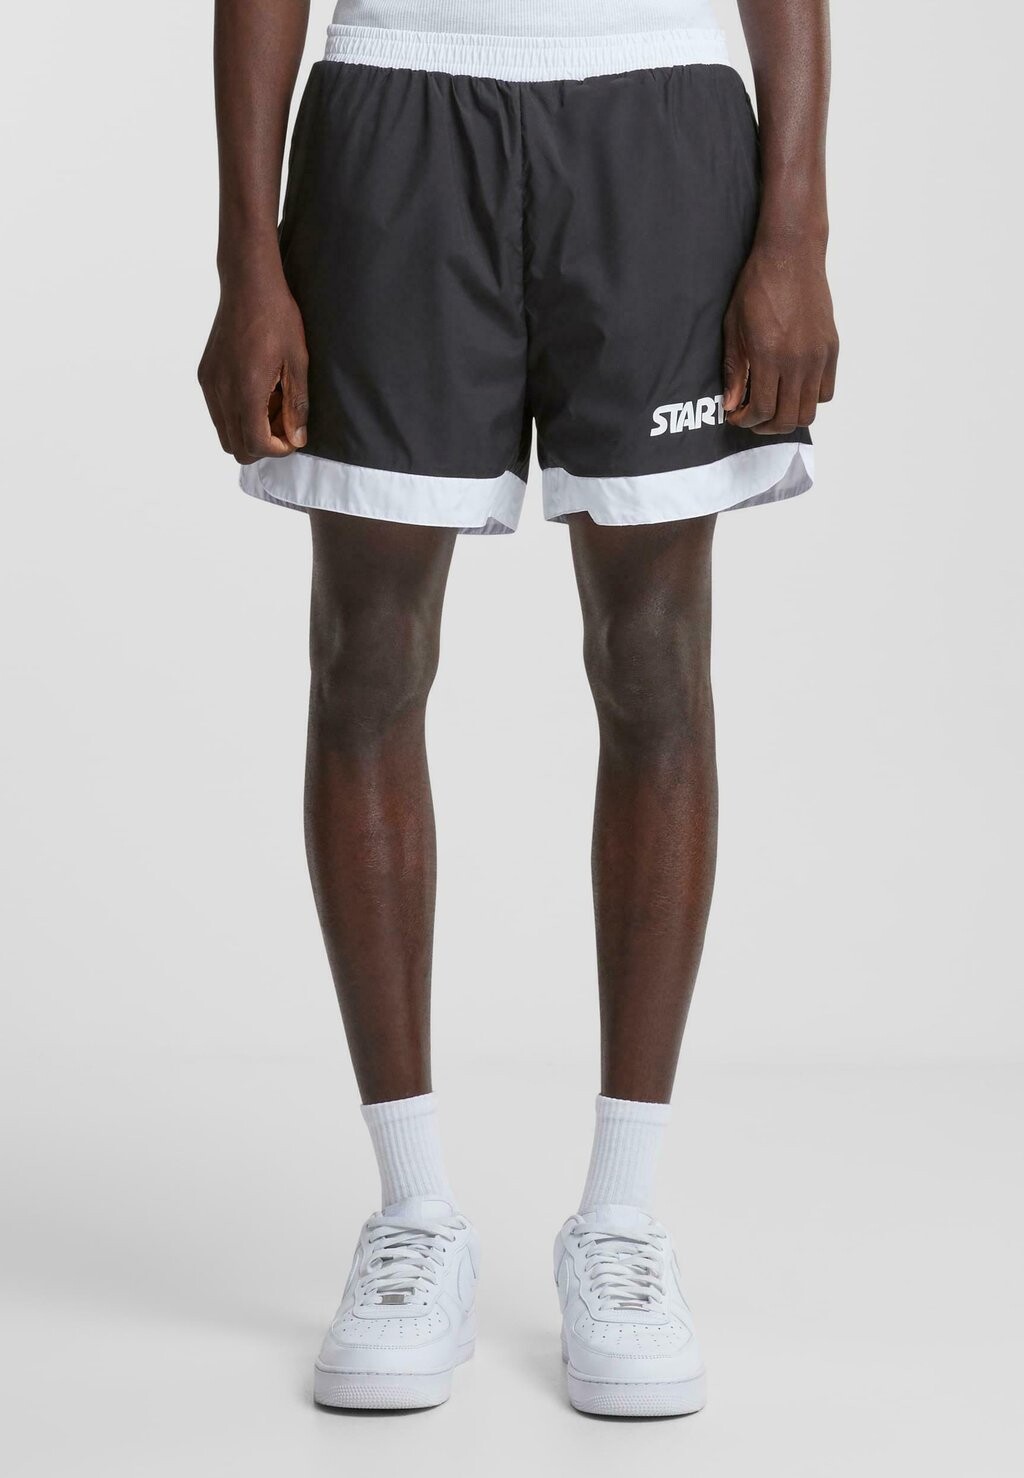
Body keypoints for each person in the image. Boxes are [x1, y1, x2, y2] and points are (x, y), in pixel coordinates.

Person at [199, 0, 837, 1417]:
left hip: (652, 112)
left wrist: (795, 230)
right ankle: (412, 1211)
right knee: (367, 659)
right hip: (398, 105)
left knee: (655, 663)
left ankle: (622, 1218)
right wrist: (249, 256)